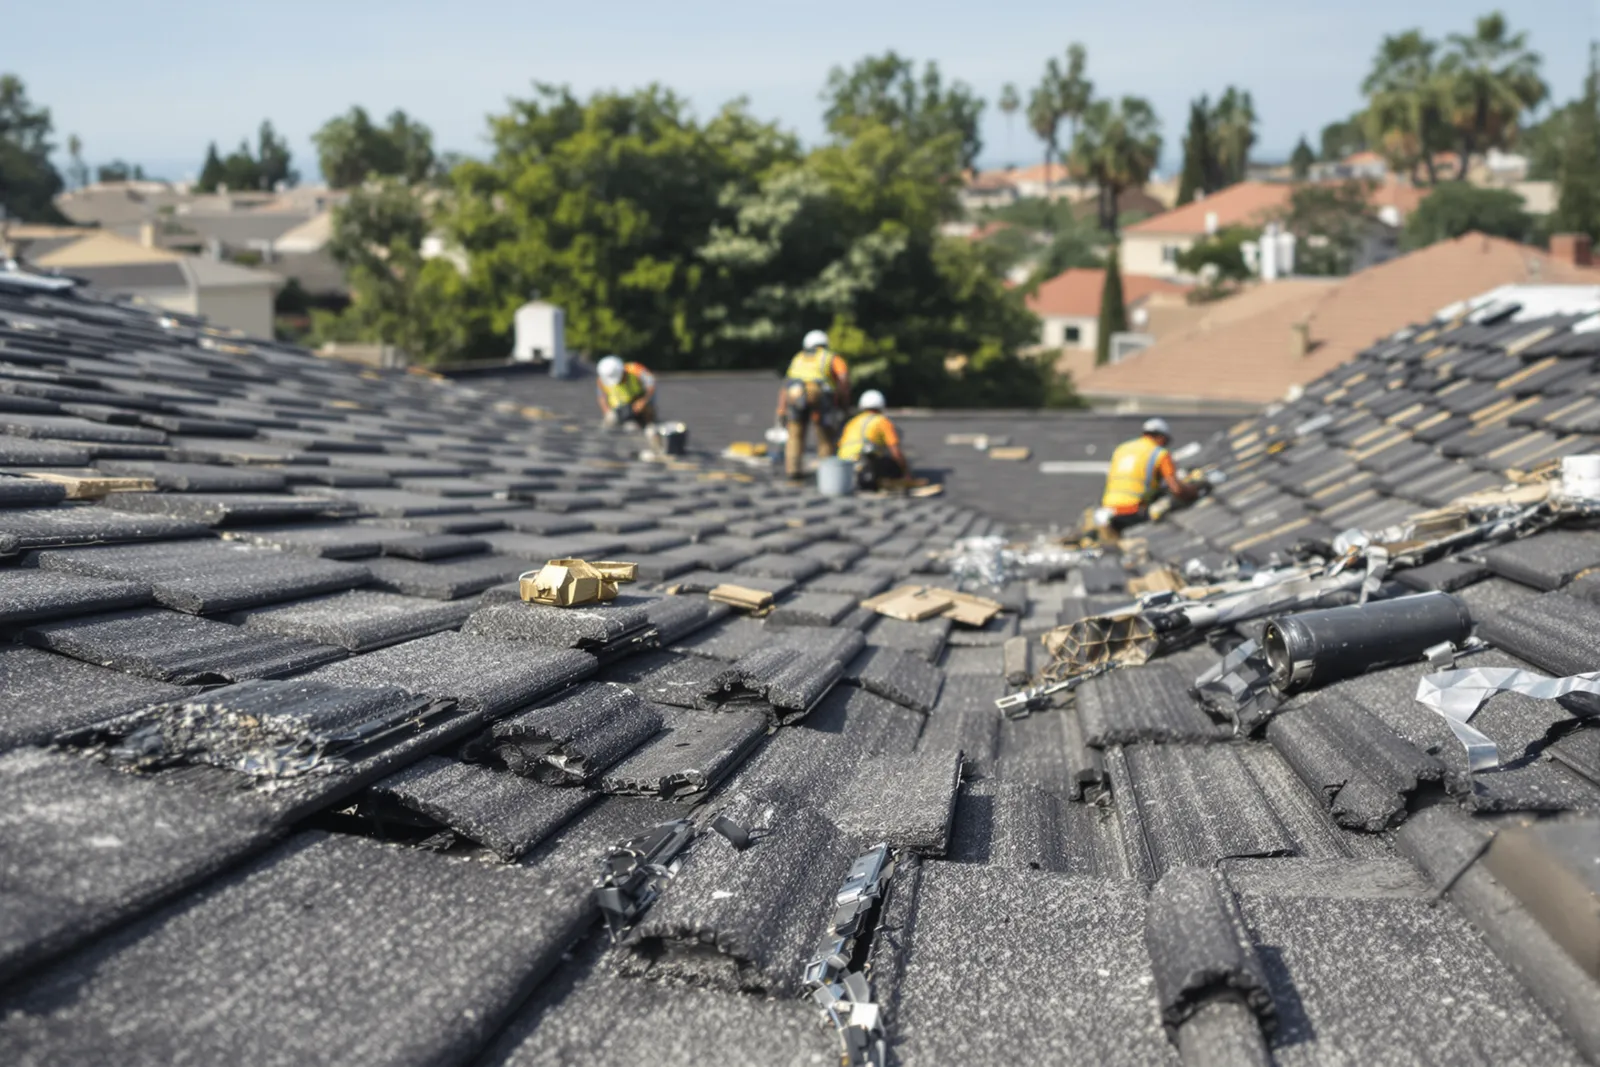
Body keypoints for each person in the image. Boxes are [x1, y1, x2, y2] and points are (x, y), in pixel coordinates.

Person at [1100, 417, 1198, 533]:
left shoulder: (1121, 449)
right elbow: (1176, 489)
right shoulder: (1160, 454)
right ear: (1161, 437)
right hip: (1133, 510)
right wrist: (1193, 492)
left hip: (1108, 509)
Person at [776, 329, 850, 480]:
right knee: (825, 434)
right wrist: (843, 403)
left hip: (795, 394)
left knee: (795, 434)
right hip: (818, 393)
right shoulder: (831, 357)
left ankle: (793, 470)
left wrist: (781, 409)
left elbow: (786, 385)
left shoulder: (798, 358)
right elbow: (843, 380)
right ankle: (826, 472)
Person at [837, 390, 908, 491]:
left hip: (844, 467)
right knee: (892, 464)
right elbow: (896, 453)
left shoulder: (852, 421)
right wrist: (905, 472)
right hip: (863, 466)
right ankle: (885, 482)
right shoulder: (882, 421)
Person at [595, 355, 657, 430]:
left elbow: (651, 384)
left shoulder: (635, 370)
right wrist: (607, 412)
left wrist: (643, 401)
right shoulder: (602, 379)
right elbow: (601, 396)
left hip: (637, 403)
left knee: (646, 411)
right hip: (619, 408)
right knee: (612, 420)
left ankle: (648, 423)